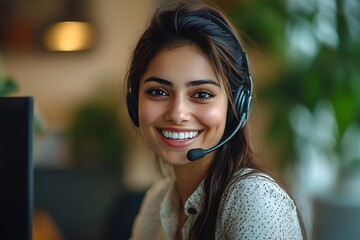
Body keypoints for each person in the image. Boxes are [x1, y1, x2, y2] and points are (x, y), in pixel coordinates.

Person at [125, 1, 305, 239]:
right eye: (158, 91)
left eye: (202, 94)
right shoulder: (157, 202)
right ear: (134, 102)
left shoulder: (254, 201)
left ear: (235, 106)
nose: (178, 113)